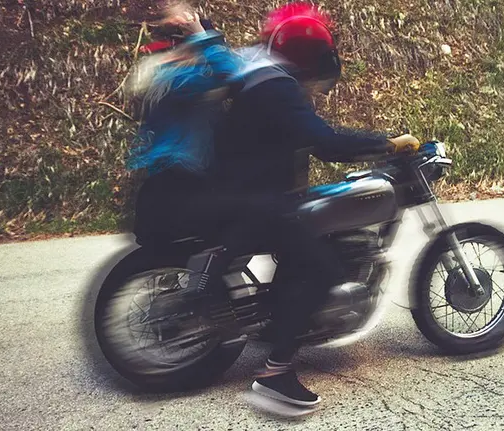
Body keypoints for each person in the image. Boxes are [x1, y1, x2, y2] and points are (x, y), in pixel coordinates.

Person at [129, 2, 421, 409]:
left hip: (244, 192)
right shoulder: (278, 86)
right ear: (310, 57)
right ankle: (275, 374)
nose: (317, 85)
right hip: (252, 199)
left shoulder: (256, 70)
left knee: (307, 240)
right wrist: (385, 144)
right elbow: (325, 142)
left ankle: (281, 319)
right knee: (323, 267)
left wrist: (202, 25)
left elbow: (225, 56)